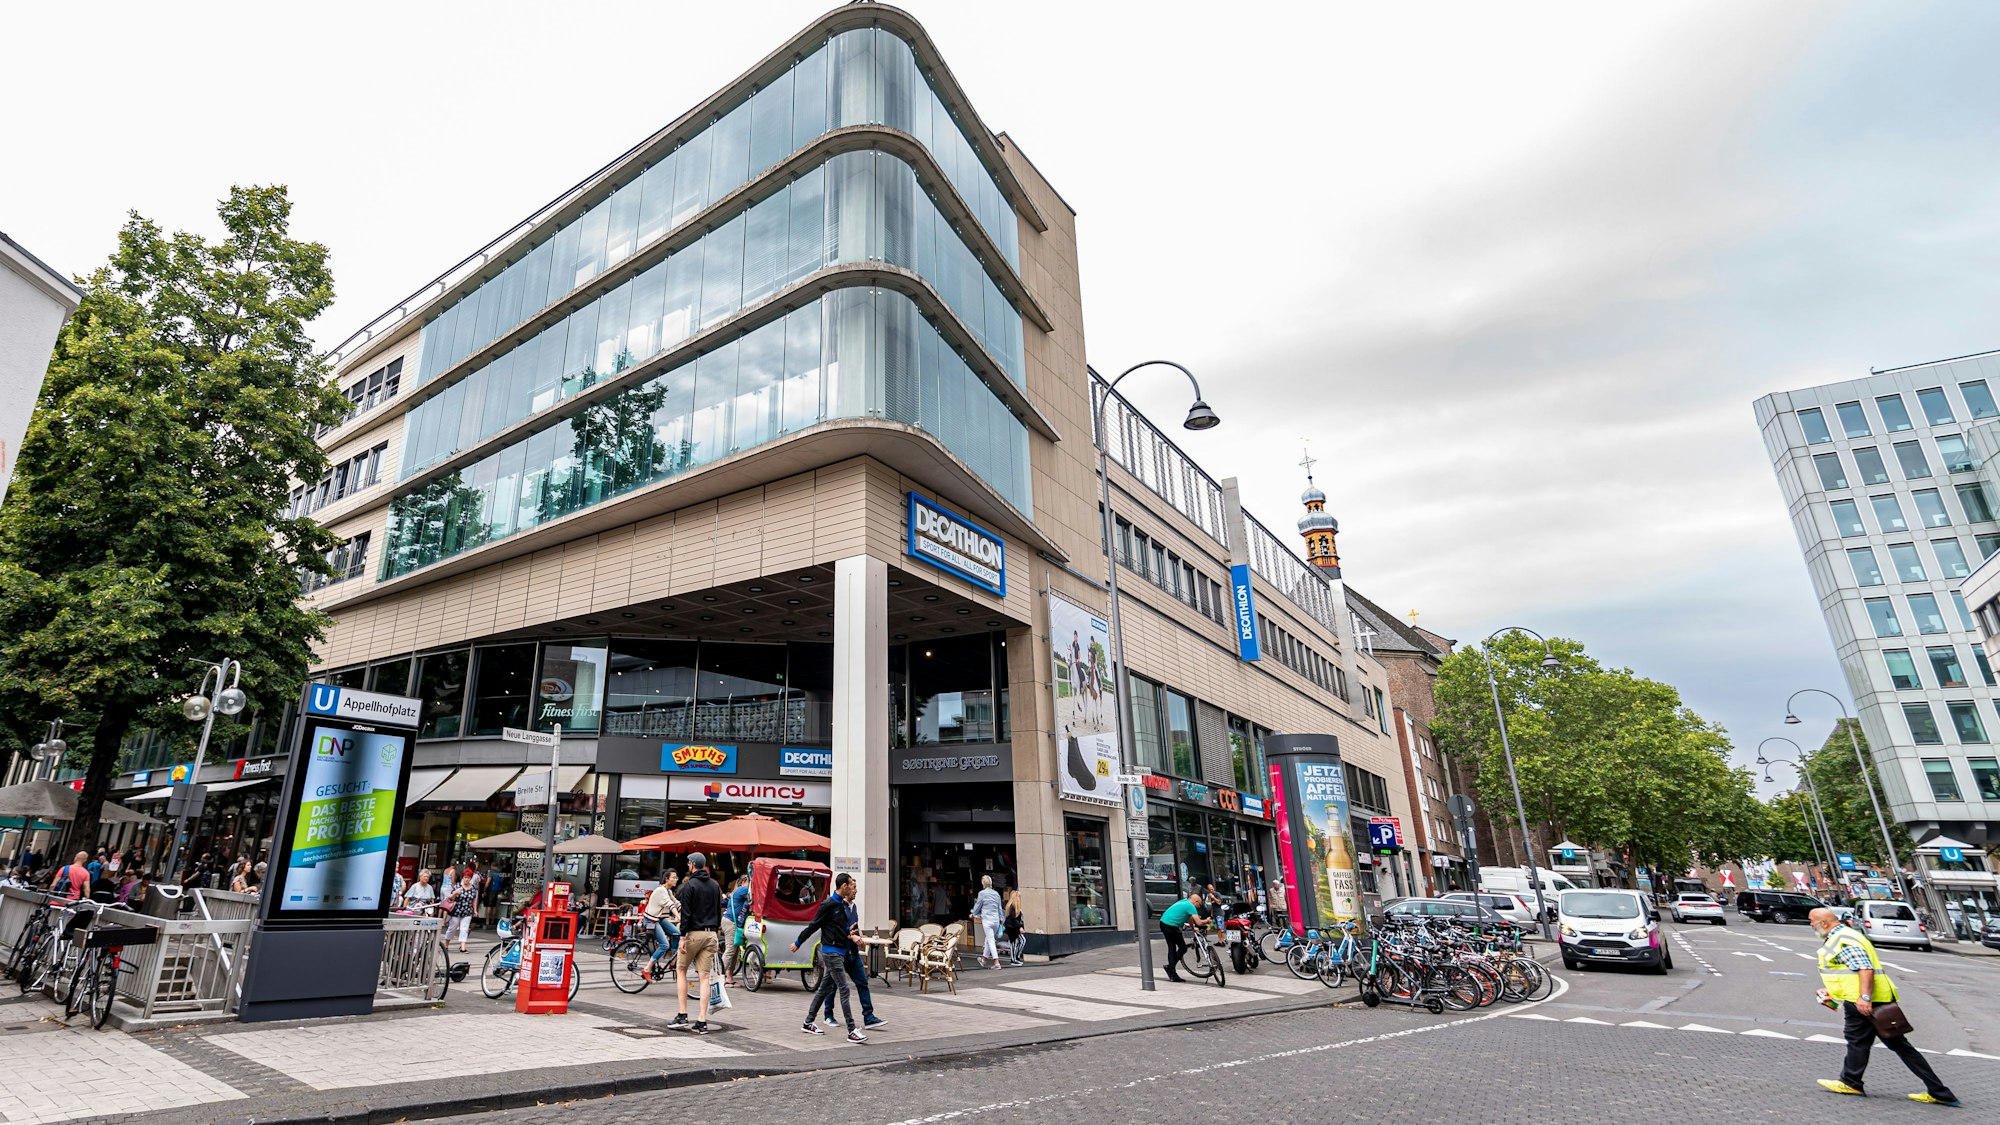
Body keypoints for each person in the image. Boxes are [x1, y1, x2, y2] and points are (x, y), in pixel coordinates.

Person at [1808, 907, 1958, 1105]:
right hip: (1871, 999)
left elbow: (1865, 969)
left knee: (1859, 1041)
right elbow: (1848, 973)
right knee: (1894, 1045)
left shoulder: (1843, 939)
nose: (1811, 925)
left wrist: (1864, 997)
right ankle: (1939, 1092)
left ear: (1824, 923)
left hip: (1863, 1002)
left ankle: (1851, 1082)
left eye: (1812, 921)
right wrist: (1832, 992)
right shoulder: (1845, 936)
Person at [793, 872, 866, 1043]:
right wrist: (798, 942)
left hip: (839, 952)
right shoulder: (828, 904)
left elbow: (840, 929)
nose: (853, 888)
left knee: (823, 989)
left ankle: (808, 1022)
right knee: (844, 989)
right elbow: (814, 925)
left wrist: (851, 934)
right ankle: (851, 1031)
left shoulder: (841, 905)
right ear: (844, 886)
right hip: (831, 953)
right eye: (851, 885)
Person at [815, 882, 884, 1031]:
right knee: (832, 986)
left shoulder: (854, 907)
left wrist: (860, 935)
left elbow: (853, 927)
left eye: (856, 888)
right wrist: (852, 937)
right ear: (845, 888)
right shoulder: (837, 907)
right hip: (839, 953)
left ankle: (869, 1017)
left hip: (853, 953)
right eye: (853, 888)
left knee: (863, 983)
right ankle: (828, 1015)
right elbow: (838, 930)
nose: (856, 891)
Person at [669, 853, 723, 1034]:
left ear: (692, 865)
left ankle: (682, 1015)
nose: (688, 865)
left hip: (693, 934)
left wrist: (682, 937)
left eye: (688, 863)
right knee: (705, 976)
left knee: (681, 970)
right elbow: (718, 911)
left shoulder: (689, 885)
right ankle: (702, 1020)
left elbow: (686, 914)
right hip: (711, 934)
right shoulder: (715, 885)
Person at [641, 869, 681, 983]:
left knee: (677, 933)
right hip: (651, 921)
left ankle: (673, 962)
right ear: (666, 879)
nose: (676, 880)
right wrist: (678, 916)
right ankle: (647, 969)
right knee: (664, 945)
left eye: (676, 878)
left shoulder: (668, 891)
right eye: (673, 877)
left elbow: (676, 903)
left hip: (659, 919)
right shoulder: (661, 890)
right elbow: (670, 904)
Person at [1158, 890, 1206, 983]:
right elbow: (1199, 922)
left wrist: (1192, 928)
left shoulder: (1184, 901)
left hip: (1163, 922)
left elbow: (1189, 919)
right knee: (1183, 948)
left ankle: (1171, 970)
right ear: (1196, 901)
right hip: (1171, 926)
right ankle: (1171, 969)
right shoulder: (1191, 906)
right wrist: (1207, 921)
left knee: (1171, 947)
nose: (1199, 907)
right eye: (1199, 905)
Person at [972, 875, 1004, 969]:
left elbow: (978, 905)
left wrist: (973, 913)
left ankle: (996, 962)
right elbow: (999, 908)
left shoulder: (982, 893)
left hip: (987, 919)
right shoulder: (996, 894)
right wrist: (1001, 918)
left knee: (990, 940)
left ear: (983, 883)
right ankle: (983, 959)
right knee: (988, 939)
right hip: (996, 920)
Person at [723, 873, 751, 980]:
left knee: (735, 952)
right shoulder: (743, 889)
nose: (751, 885)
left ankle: (729, 977)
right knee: (730, 950)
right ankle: (718, 976)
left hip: (730, 921)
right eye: (750, 882)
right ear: (744, 882)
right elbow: (756, 895)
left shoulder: (737, 890)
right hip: (731, 922)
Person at [444, 868, 479, 952]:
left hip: (467, 911)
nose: (466, 879)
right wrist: (455, 893)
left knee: (464, 929)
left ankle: (463, 946)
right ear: (462, 877)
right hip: (456, 911)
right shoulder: (457, 886)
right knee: (452, 928)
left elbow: (474, 899)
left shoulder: (473, 888)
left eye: (468, 878)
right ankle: (446, 944)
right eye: (465, 877)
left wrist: (475, 910)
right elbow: (451, 898)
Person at [1002, 888, 1026, 966]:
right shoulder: (1012, 907)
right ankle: (1013, 959)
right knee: (1014, 943)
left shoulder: (1014, 908)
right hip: (1012, 928)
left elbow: (1018, 920)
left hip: (1014, 928)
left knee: (1021, 941)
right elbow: (1014, 919)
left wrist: (1020, 927)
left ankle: (1016, 957)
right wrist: (1020, 927)